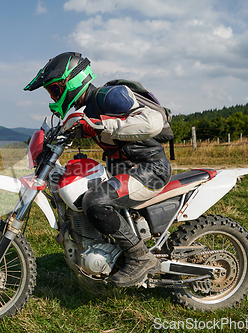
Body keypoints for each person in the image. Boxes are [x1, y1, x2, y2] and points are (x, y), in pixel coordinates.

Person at [24, 52, 172, 287]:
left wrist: (100, 124)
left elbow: (153, 121)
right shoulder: (82, 110)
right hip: (123, 171)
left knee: (95, 200)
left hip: (149, 170)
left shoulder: (108, 96)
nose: (53, 97)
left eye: (54, 90)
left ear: (71, 82)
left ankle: (140, 257)